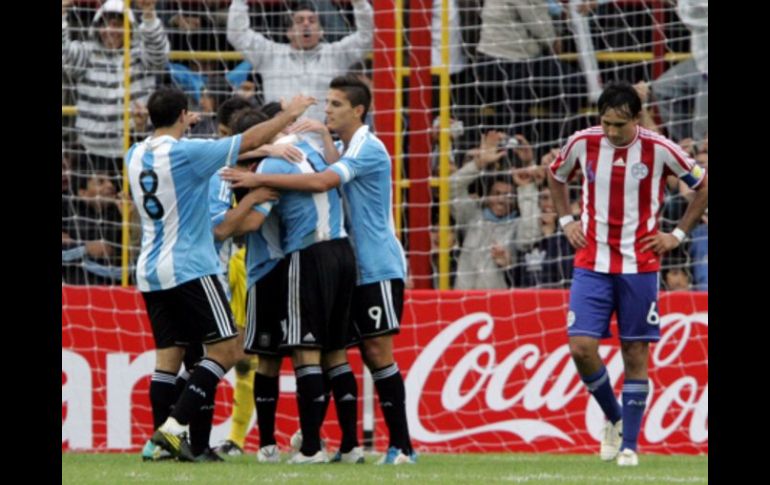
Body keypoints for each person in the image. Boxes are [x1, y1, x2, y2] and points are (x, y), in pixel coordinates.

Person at [222, 75, 418, 465]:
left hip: (376, 263)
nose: (326, 110)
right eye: (326, 103)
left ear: (358, 110)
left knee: (375, 350)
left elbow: (324, 179)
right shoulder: (344, 146)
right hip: (349, 262)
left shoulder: (368, 147)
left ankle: (402, 447)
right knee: (339, 350)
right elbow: (331, 163)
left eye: (335, 104)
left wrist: (257, 177)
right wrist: (322, 138)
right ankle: (344, 445)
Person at [127, 85, 314, 461]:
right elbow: (247, 139)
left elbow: (232, 147)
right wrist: (288, 114)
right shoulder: (189, 153)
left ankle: (158, 446)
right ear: (183, 116)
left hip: (150, 268)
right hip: (191, 266)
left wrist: (184, 126)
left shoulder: (134, 153)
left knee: (168, 359)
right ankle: (173, 429)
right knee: (228, 349)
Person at [546, 81, 708, 466]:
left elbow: (702, 187)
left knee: (635, 352)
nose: (611, 131)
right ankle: (615, 418)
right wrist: (567, 219)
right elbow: (555, 175)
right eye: (605, 123)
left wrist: (678, 234)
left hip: (640, 264)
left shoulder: (661, 148)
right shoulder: (583, 142)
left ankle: (630, 446)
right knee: (581, 348)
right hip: (592, 262)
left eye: (619, 124)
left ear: (637, 119)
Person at [62, 0, 170, 176]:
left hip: (135, 148)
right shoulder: (87, 53)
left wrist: (149, 13)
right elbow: (64, 53)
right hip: (92, 151)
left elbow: (160, 55)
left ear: (129, 28)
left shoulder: (141, 54)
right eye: (104, 25)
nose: (109, 31)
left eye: (116, 25)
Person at [226, 0, 373, 125]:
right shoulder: (270, 54)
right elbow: (237, 34)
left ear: (321, 31)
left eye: (312, 20)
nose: (306, 24)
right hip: (278, 139)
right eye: (299, 21)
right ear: (289, 31)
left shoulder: (336, 54)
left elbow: (367, 35)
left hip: (324, 142)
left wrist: (359, 2)